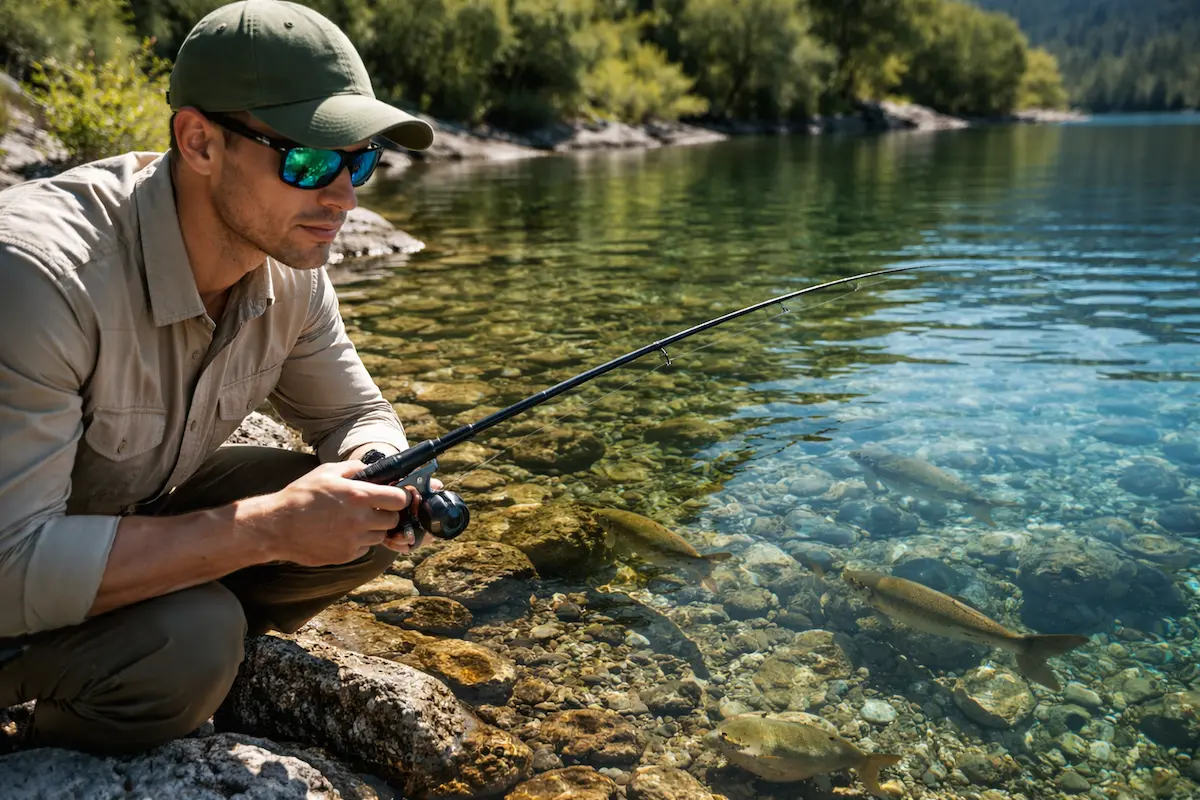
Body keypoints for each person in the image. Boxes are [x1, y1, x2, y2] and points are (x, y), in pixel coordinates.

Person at [0, 0, 439, 754]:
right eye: (309, 160)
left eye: (359, 160)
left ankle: (153, 628)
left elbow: (355, 415)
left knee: (363, 515)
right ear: (199, 142)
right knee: (194, 644)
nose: (343, 195)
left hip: (106, 519)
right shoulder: (40, 279)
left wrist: (381, 470)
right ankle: (32, 741)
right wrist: (268, 527)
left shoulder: (288, 265)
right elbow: (9, 568)